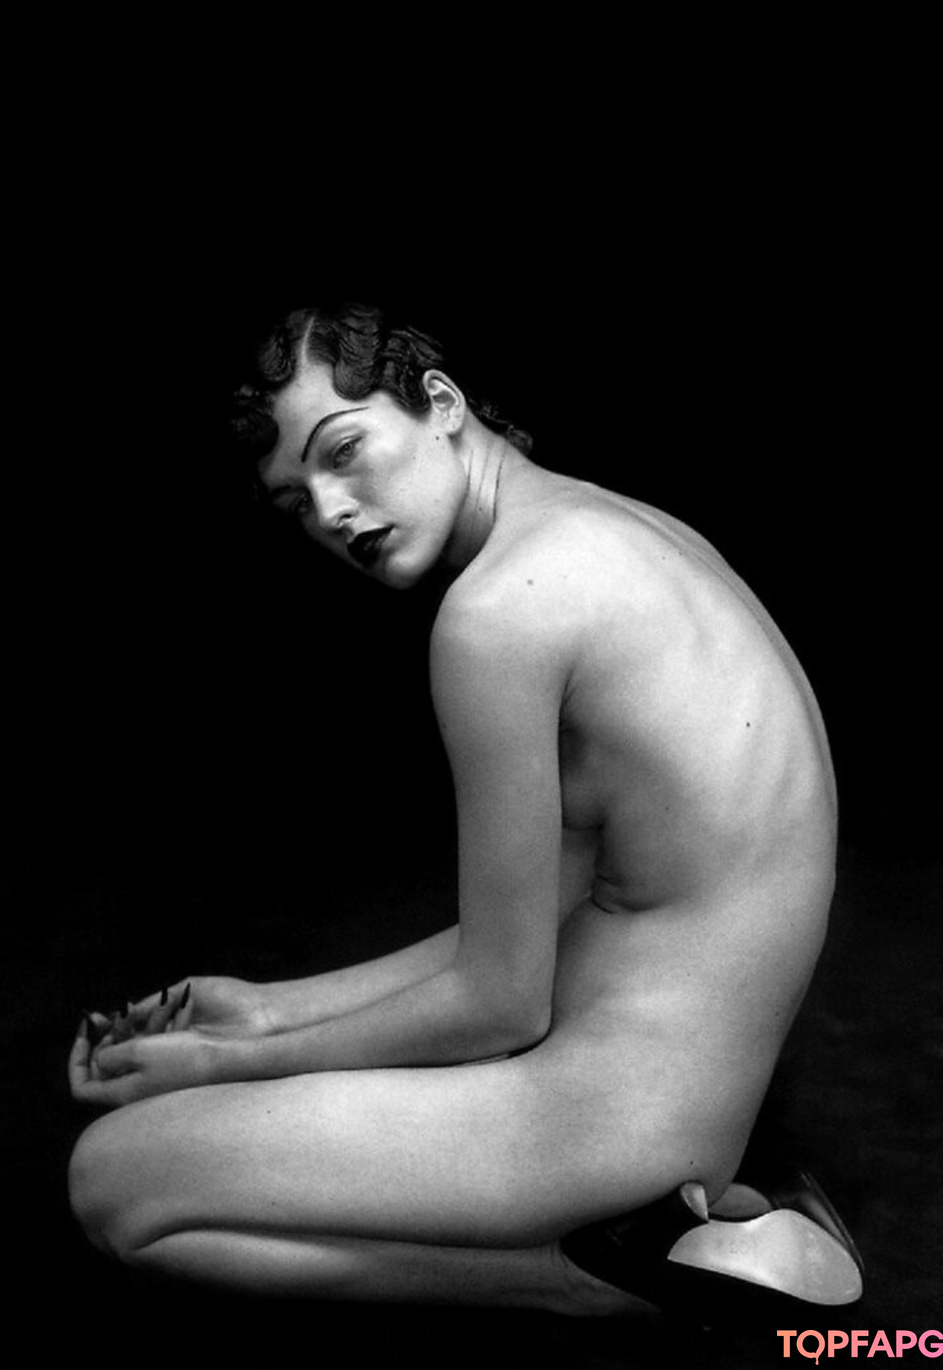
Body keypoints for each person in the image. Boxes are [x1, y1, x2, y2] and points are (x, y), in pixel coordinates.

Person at [67, 301, 862, 1319]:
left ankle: (610, 1269)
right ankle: (676, 1227)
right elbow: (564, 914)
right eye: (297, 500)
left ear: (440, 404)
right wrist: (269, 1008)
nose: (333, 511)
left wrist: (225, 1063)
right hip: (681, 1100)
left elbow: (499, 1004)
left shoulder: (499, 615)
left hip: (606, 1122)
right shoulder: (617, 531)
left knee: (116, 1179)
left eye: (343, 452)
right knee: (188, 1131)